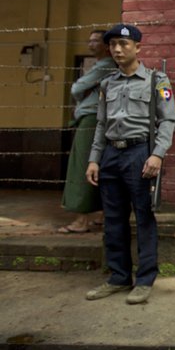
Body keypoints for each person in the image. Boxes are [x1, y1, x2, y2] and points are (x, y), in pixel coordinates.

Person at [84, 24, 175, 305]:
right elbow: (101, 124)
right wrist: (93, 159)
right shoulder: (107, 84)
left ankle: (145, 279)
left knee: (144, 217)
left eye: (124, 44)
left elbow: (168, 120)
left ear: (138, 47)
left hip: (140, 154)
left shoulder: (157, 81)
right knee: (113, 220)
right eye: (113, 44)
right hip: (111, 155)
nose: (117, 49)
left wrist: (157, 154)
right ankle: (118, 277)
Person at [58, 30, 116, 233]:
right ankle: (99, 214)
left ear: (107, 45)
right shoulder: (104, 66)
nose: (90, 44)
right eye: (89, 40)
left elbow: (76, 88)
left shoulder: (105, 65)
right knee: (97, 164)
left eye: (96, 41)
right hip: (99, 119)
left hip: (91, 119)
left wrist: (83, 89)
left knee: (82, 165)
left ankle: (81, 220)